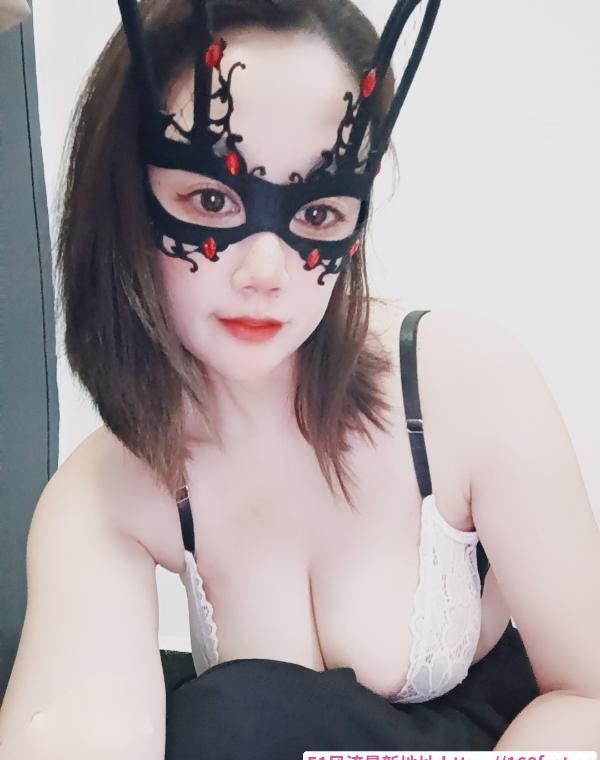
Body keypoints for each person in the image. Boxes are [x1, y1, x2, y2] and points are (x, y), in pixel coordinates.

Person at [1, 0, 599, 758]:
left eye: (316, 213)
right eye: (211, 200)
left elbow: (590, 693)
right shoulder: (106, 494)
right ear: (126, 200)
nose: (265, 271)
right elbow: (79, 726)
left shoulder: (467, 386)